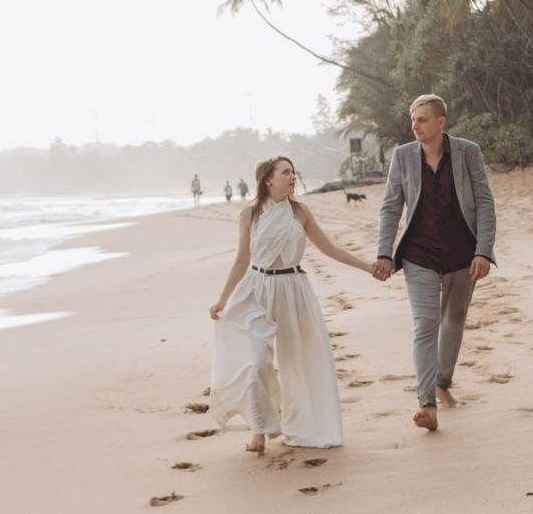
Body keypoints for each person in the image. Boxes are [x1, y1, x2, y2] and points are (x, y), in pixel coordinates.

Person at [209, 155, 378, 453]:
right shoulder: (250, 214)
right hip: (257, 290)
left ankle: (303, 424)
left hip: (293, 290)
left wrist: (366, 266)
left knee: (301, 359)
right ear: (268, 179)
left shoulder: (300, 212)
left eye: (293, 172)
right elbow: (241, 260)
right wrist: (223, 298)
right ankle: (260, 428)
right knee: (256, 362)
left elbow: (329, 249)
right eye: (286, 172)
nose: (292, 176)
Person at [372, 94, 496, 432]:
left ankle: (443, 381)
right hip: (419, 254)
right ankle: (426, 402)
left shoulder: (468, 152)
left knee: (454, 321)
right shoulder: (403, 156)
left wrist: (484, 250)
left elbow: (485, 202)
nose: (415, 126)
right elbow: (390, 207)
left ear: (441, 122)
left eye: (422, 119)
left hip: (462, 252)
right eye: (413, 119)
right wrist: (384, 251)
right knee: (426, 323)